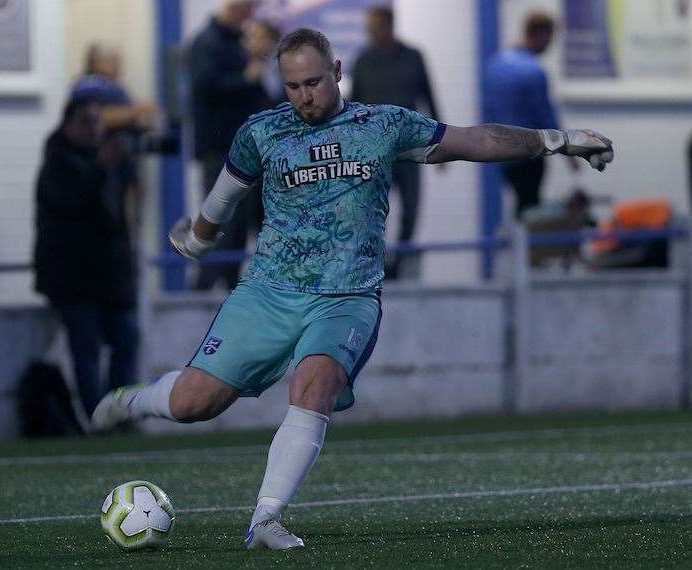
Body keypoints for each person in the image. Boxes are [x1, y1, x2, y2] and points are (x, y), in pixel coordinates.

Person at [92, 28, 613, 550]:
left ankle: (266, 519)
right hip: (268, 293)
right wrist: (199, 240)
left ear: (337, 71)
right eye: (292, 86)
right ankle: (133, 401)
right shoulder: (261, 133)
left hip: (347, 298)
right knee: (193, 404)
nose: (304, 96)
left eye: (313, 82)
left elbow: (474, 141)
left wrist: (556, 139)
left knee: (313, 385)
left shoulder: (382, 125)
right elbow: (225, 196)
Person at [33, 80, 140, 420]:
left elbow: (120, 217)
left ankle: (119, 413)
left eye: (98, 121)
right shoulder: (58, 163)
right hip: (73, 277)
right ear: (68, 124)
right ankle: (99, 418)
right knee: (87, 348)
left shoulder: (108, 161)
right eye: (86, 121)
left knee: (127, 339)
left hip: (110, 275)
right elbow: (73, 208)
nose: (94, 128)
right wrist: (102, 170)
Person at [351, 6, 442, 280]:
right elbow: (354, 106)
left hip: (409, 148)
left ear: (389, 26)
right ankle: (375, 264)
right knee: (373, 209)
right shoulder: (363, 60)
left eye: (374, 27)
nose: (370, 33)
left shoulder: (413, 57)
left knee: (411, 210)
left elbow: (429, 96)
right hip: (375, 152)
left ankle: (399, 266)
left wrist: (441, 142)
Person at [188, 0, 267, 290]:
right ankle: (203, 293)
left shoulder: (239, 44)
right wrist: (245, 79)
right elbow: (205, 87)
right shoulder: (207, 44)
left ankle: (229, 288)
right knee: (220, 223)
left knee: (238, 226)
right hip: (219, 148)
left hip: (242, 149)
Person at [484, 12, 577, 219]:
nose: (550, 45)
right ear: (541, 34)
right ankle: (525, 249)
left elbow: (488, 108)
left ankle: (518, 246)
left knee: (520, 203)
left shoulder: (496, 64)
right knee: (530, 207)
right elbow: (545, 116)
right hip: (528, 152)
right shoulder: (533, 71)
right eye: (550, 39)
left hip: (500, 152)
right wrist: (568, 150)